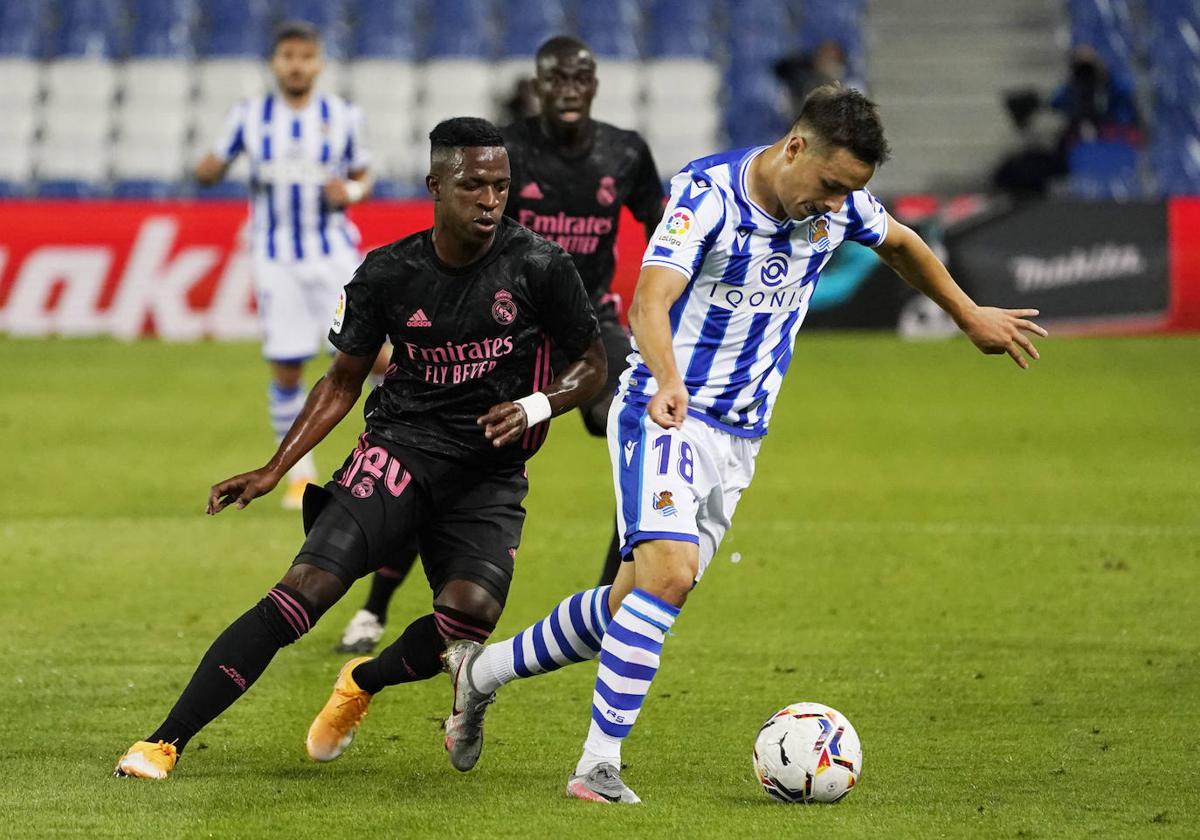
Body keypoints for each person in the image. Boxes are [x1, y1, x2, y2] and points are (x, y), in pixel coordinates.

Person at [436, 85, 1048, 802]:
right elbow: (650, 300)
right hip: (666, 412)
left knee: (629, 601)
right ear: (794, 148)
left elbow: (904, 244)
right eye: (827, 185)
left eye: (847, 192)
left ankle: (478, 675)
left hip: (739, 438)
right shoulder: (706, 197)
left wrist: (969, 313)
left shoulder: (844, 203)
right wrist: (666, 378)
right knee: (667, 576)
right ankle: (598, 767)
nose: (833, 204)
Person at [113, 117, 606, 780]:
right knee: (305, 590)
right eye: (474, 186)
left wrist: (535, 405)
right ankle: (163, 741)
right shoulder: (387, 273)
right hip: (399, 451)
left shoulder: (540, 266)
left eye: (501, 186)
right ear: (436, 185)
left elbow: (594, 363)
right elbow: (342, 380)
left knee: (469, 619)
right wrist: (274, 468)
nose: (491, 200)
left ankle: (362, 681)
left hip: (489, 472)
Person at [334, 34, 666, 653]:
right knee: (437, 454)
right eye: (555, 78)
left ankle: (609, 606)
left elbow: (663, 228)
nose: (568, 88)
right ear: (537, 85)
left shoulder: (625, 152)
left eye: (581, 78)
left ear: (595, 86)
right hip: (500, 328)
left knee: (645, 429)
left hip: (586, 322)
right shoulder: (503, 149)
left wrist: (663, 299)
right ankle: (374, 609)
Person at [195, 21, 387, 510]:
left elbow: (365, 174)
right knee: (287, 366)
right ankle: (298, 475)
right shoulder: (248, 116)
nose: (297, 64)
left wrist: (353, 191)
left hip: (334, 259)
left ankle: (395, 450)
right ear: (275, 62)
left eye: (305, 56)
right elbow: (210, 167)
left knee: (376, 358)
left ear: (318, 62)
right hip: (276, 259)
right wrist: (210, 168)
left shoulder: (341, 116)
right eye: (288, 56)